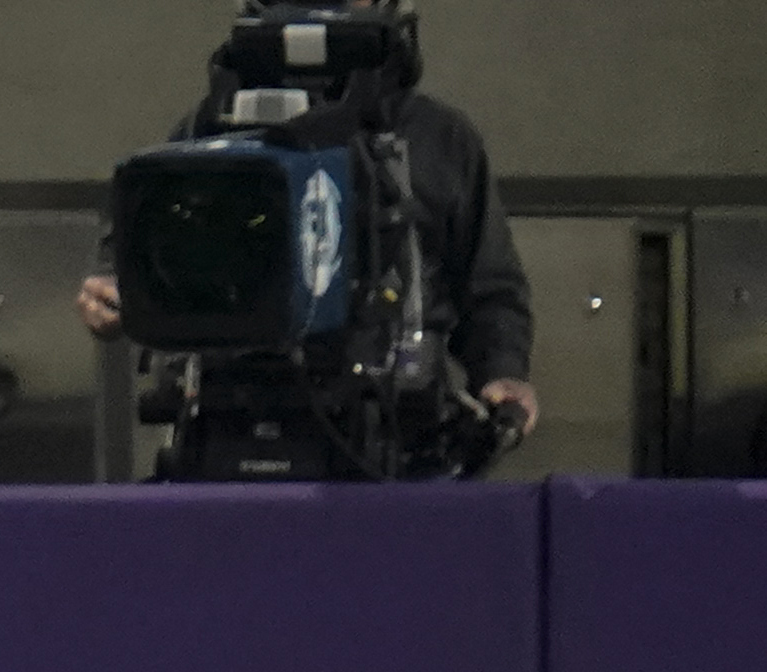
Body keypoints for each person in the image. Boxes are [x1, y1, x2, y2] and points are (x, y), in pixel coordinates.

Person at [77, 2, 537, 442]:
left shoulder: (439, 137)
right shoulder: (211, 128)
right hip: (229, 413)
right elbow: (138, 249)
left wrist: (503, 374)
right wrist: (118, 289)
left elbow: (491, 290)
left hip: (397, 428)